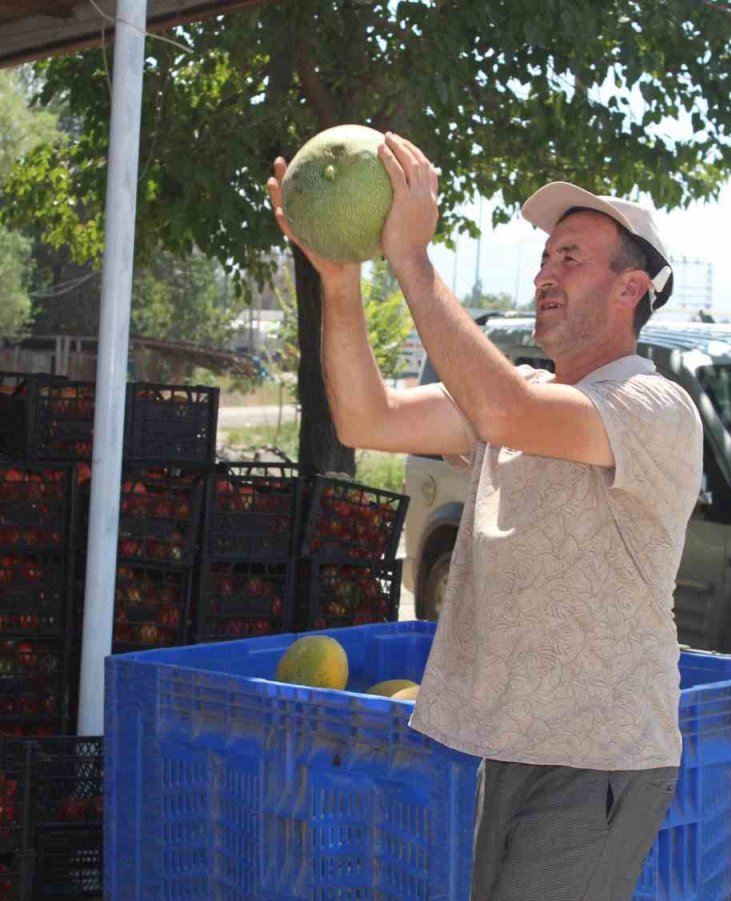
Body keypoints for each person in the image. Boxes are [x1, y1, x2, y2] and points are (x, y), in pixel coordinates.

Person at [268, 133, 702, 900]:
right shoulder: (516, 398)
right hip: (511, 746)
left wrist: (412, 257)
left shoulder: (652, 406)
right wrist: (340, 278)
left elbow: (505, 409)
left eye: (570, 257)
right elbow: (367, 418)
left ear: (632, 289)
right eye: (544, 258)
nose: (545, 274)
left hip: (598, 756)